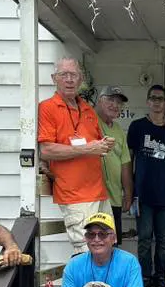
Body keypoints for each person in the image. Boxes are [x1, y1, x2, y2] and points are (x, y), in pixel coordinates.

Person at [38, 57, 114, 254]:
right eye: (64, 75)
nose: (69, 79)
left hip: (99, 192)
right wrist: (88, 149)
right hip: (75, 195)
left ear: (81, 80)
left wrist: (105, 145)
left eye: (74, 75)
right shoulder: (47, 107)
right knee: (87, 251)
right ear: (54, 78)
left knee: (107, 249)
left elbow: (96, 145)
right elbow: (46, 150)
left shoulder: (88, 109)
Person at [127, 84, 165, 287]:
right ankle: (144, 277)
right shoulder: (137, 127)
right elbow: (129, 159)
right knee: (143, 238)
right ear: (147, 101)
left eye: (160, 98)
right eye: (153, 98)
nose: (157, 102)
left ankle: (160, 277)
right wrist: (130, 188)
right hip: (142, 192)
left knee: (163, 239)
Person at [95, 86, 134, 233]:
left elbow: (125, 164)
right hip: (94, 199)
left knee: (112, 244)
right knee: (95, 243)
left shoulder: (118, 129)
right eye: (110, 100)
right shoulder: (89, 121)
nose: (115, 105)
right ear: (99, 100)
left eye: (119, 102)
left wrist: (128, 194)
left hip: (115, 198)